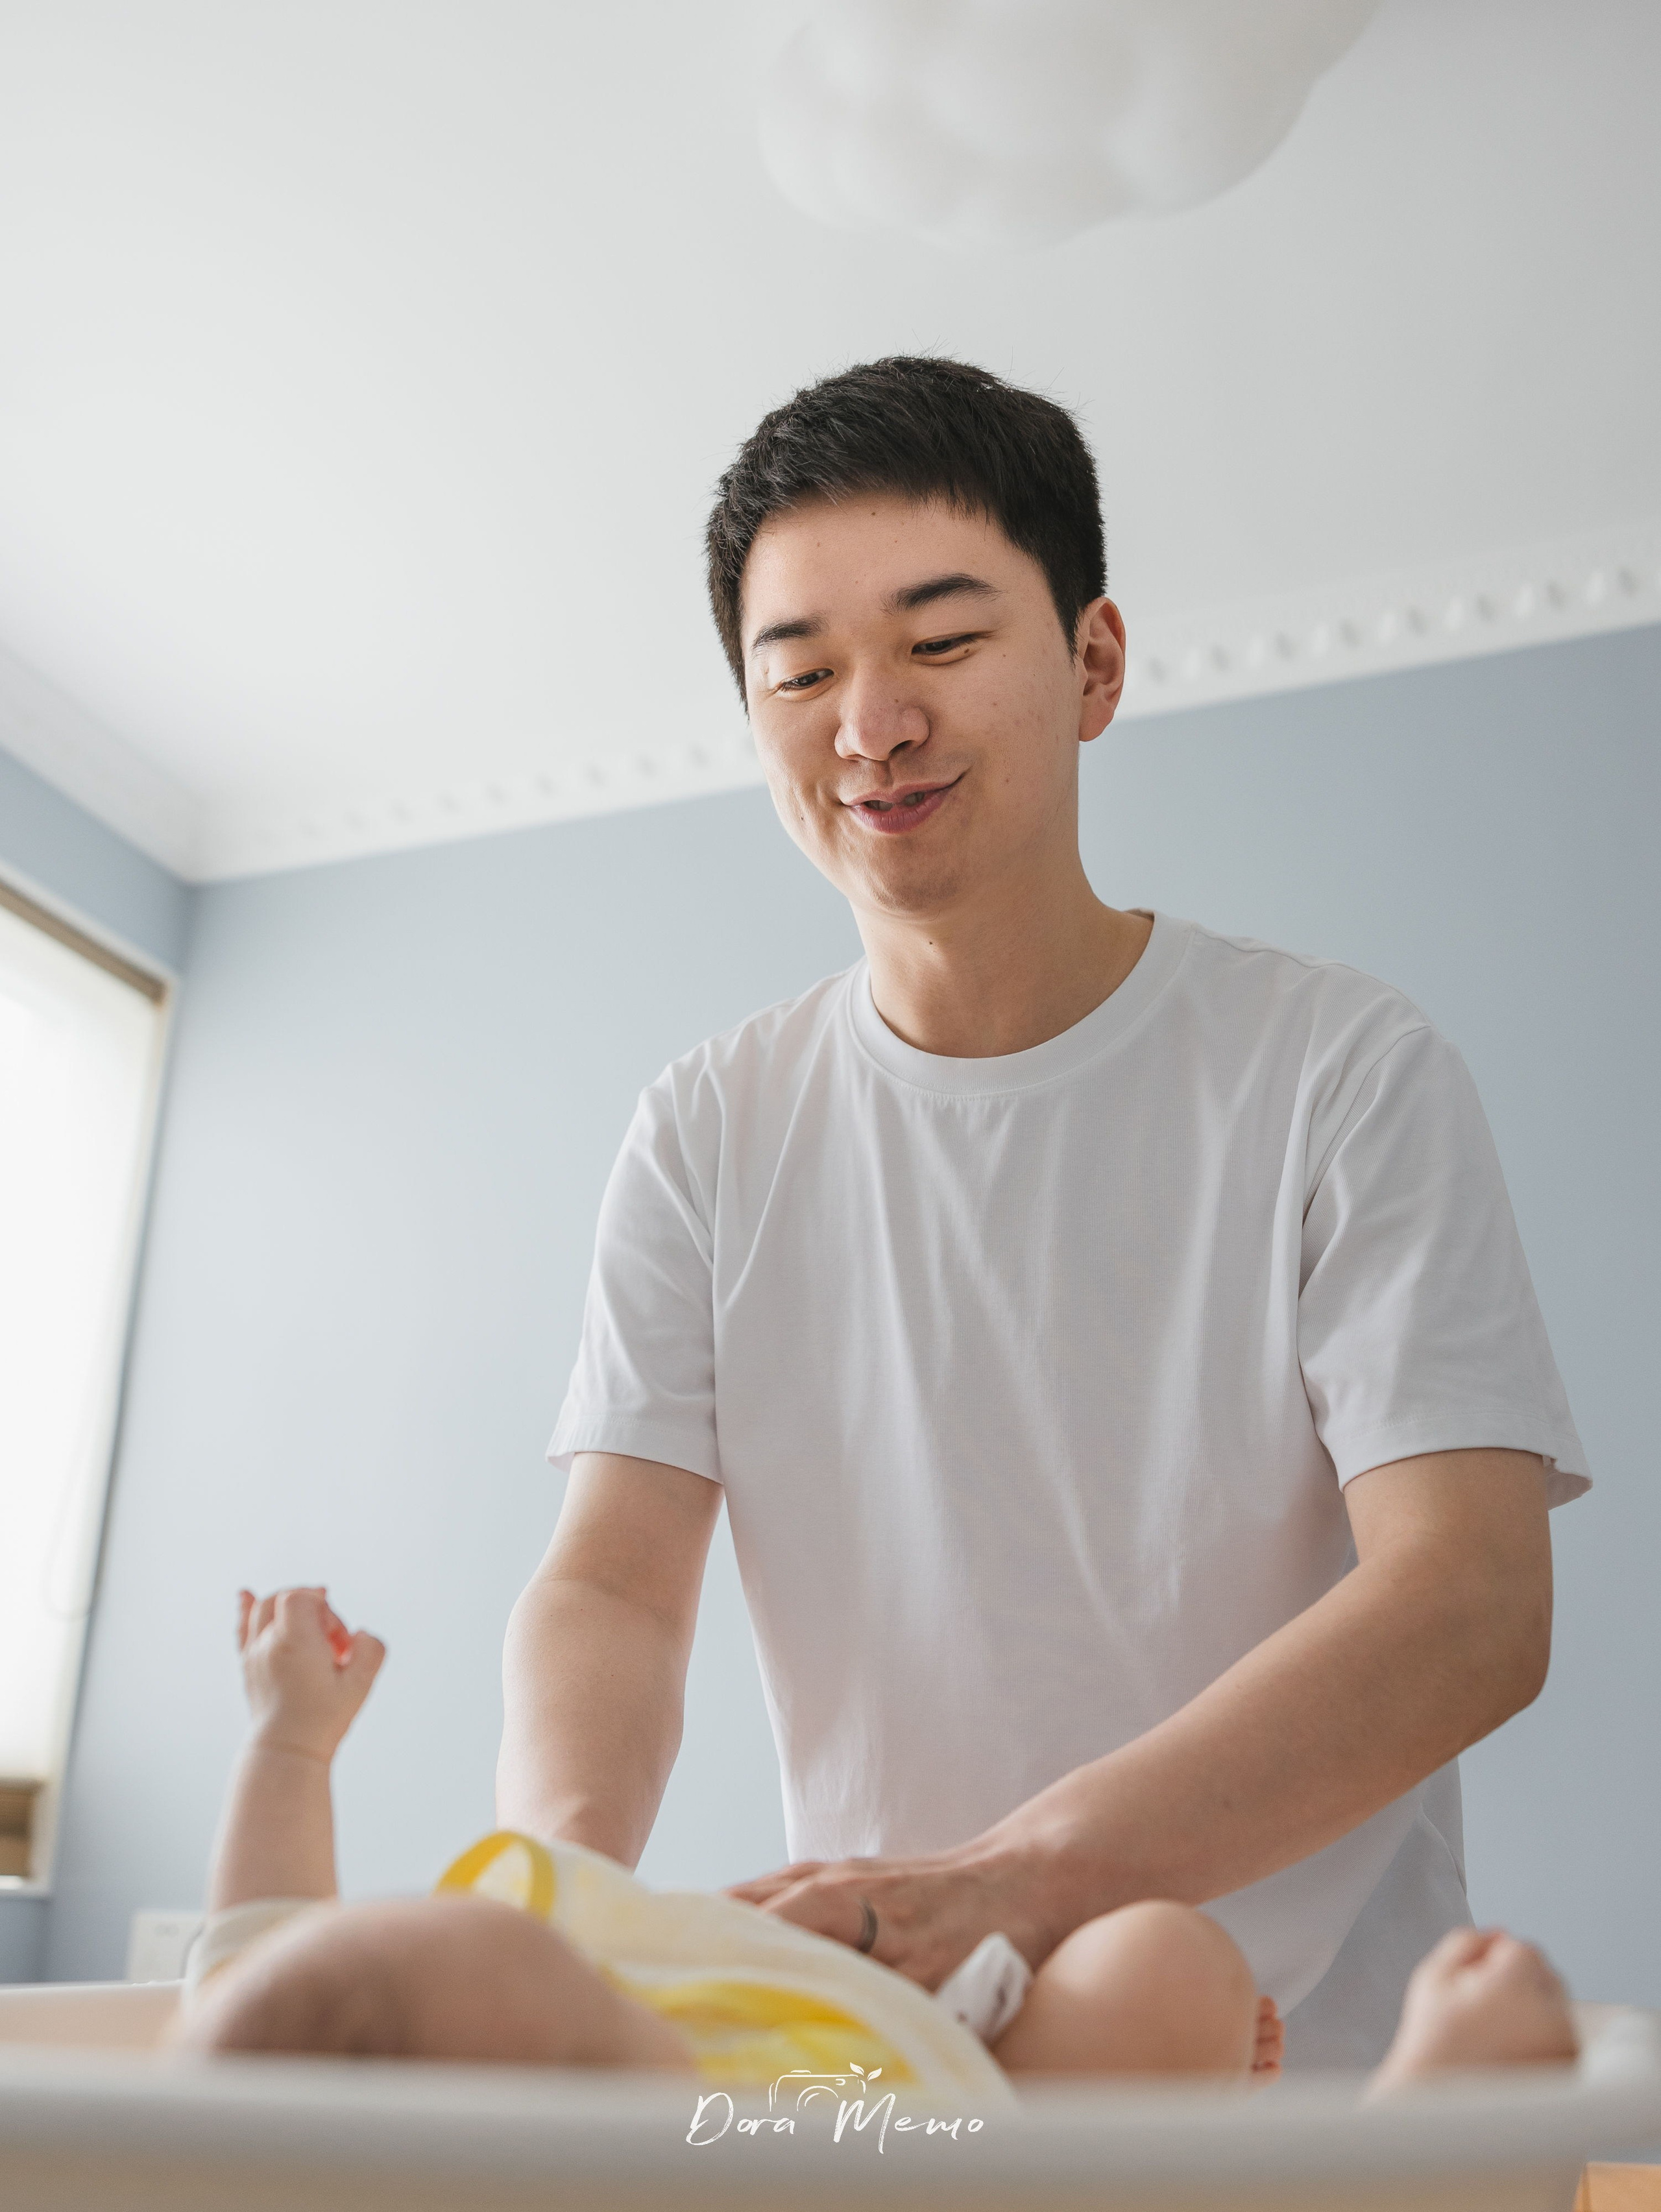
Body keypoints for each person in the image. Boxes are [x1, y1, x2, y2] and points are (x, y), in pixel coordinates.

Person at [496, 357, 1590, 2068]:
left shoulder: (1339, 1071)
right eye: (801, 670)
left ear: (1093, 666)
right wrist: (554, 1902)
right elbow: (618, 1583)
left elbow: (1471, 1601)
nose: (869, 724)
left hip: (1320, 2084)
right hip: (910, 2068)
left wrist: (1008, 1880)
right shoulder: (709, 1129)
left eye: (940, 644)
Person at [177, 1586, 1579, 2095]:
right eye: (589, 2022)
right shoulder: (743, 2155)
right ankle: (1430, 2122)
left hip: (904, 2039)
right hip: (931, 2149)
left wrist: (287, 1745)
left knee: (1160, 1966)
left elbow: (252, 1946)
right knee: (1165, 1982)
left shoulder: (334, 2043)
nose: (609, 1976)